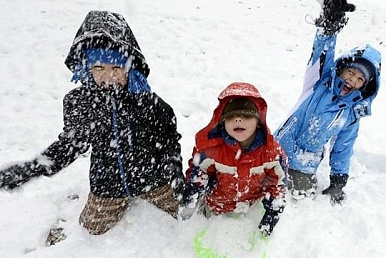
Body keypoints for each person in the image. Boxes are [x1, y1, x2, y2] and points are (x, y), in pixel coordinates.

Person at [0, 10, 184, 236]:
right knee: (89, 232)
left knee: (186, 214)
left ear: (130, 67)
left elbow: (169, 139)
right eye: (99, 68)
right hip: (107, 185)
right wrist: (31, 169)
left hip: (154, 179)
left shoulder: (148, 102)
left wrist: (175, 175)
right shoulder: (80, 103)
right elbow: (70, 146)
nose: (109, 76)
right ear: (86, 68)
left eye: (117, 67)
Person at [274, 0, 382, 204]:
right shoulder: (319, 82)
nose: (353, 80)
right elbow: (322, 53)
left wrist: (338, 178)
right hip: (276, 148)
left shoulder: (351, 114)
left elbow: (343, 146)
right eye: (351, 72)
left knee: (301, 199)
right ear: (341, 69)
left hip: (304, 164)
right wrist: (328, 26)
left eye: (360, 80)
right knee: (261, 187)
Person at [180, 82, 287, 237]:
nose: (238, 119)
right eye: (231, 116)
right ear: (223, 121)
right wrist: (192, 195)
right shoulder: (211, 150)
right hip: (218, 204)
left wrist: (272, 212)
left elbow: (277, 184)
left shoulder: (271, 153)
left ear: (258, 122)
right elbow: (198, 173)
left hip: (251, 204)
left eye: (247, 115)